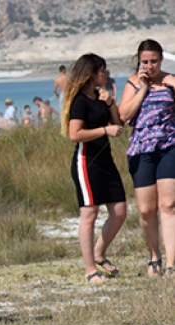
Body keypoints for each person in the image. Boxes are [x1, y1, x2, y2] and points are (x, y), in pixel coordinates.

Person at [61, 53, 126, 283]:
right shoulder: (80, 101)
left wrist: (110, 104)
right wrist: (104, 131)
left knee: (120, 211)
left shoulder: (100, 97)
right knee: (89, 215)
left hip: (106, 160)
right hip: (86, 162)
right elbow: (74, 134)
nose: (105, 74)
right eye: (102, 71)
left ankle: (99, 252)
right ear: (91, 73)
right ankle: (90, 270)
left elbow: (118, 124)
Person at [118, 39, 175, 276]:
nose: (149, 66)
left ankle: (172, 262)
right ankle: (155, 257)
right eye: (145, 62)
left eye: (153, 61)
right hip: (141, 150)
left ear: (161, 60)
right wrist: (142, 89)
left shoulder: (170, 81)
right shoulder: (133, 83)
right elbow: (123, 115)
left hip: (169, 146)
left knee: (169, 205)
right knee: (145, 209)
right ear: (139, 62)